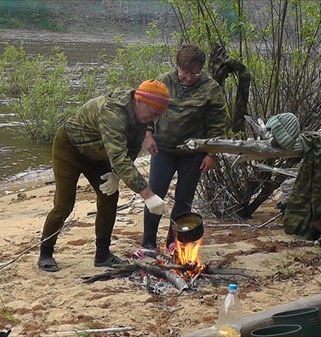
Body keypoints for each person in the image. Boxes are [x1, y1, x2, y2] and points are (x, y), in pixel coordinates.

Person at [37, 79, 171, 272]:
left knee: (110, 196)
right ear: (140, 101)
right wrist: (148, 195)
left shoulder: (142, 117)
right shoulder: (113, 112)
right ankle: (46, 252)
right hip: (70, 149)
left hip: (98, 154)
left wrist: (116, 175)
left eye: (158, 115)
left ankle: (103, 254)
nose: (154, 119)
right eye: (153, 113)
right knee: (64, 204)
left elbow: (131, 149)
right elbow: (118, 156)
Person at [135, 44, 227, 256]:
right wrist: (148, 135)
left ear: (201, 69)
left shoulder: (210, 88)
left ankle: (173, 243)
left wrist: (211, 154)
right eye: (184, 73)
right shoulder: (163, 82)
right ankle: (148, 243)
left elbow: (217, 124)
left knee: (184, 199)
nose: (188, 78)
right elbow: (148, 111)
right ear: (176, 66)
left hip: (193, 154)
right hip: (163, 149)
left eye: (194, 73)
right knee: (154, 195)